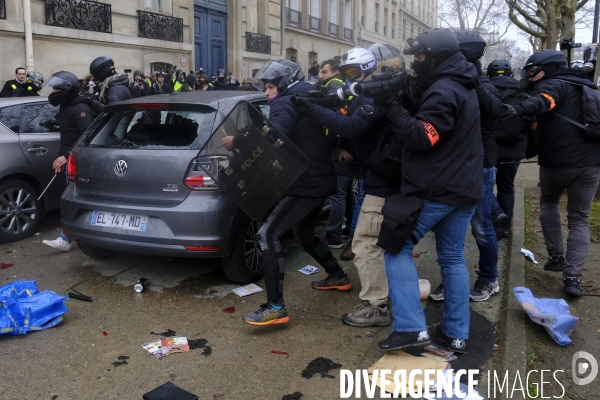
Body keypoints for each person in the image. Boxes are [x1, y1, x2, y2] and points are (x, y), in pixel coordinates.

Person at [379, 28, 482, 352]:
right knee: (452, 258)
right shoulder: (462, 84)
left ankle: (411, 328)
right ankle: (456, 333)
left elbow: (425, 137)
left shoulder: (443, 89)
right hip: (464, 188)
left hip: (437, 188)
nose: (416, 62)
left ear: (437, 57)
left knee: (396, 248)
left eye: (420, 57)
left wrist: (392, 108)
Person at [227, 59, 349, 326]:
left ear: (283, 85)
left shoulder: (285, 102)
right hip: (318, 179)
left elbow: (273, 136)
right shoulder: (307, 95)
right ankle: (337, 275)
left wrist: (236, 141)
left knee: (267, 234)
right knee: (303, 233)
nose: (268, 93)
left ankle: (275, 307)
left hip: (305, 184)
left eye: (270, 87)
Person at [294, 45, 405, 328]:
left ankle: (376, 307)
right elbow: (351, 118)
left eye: (354, 71)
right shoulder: (366, 90)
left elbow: (353, 125)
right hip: (380, 173)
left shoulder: (376, 93)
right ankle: (392, 299)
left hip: (384, 179)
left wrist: (313, 109)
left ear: (369, 69)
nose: (350, 77)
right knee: (385, 244)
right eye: (346, 72)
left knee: (365, 243)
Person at [500, 49, 600, 297]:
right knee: (579, 219)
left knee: (549, 203)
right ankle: (573, 278)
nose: (531, 77)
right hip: (591, 164)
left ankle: (556, 256)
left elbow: (545, 100)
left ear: (549, 69)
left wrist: (520, 109)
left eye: (534, 71)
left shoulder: (554, 85)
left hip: (558, 163)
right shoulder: (589, 88)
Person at [431, 30, 502, 303]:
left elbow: (495, 109)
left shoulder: (479, 82)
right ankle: (450, 280)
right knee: (449, 230)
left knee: (482, 227)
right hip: (451, 166)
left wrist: (472, 79)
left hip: (481, 165)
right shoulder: (443, 82)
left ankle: (489, 278)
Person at [42, 71, 104, 252]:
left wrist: (66, 155)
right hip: (72, 160)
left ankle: (68, 239)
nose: (53, 92)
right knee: (71, 199)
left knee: (74, 199)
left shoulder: (80, 109)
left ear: (66, 90)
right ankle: (67, 238)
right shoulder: (67, 106)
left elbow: (87, 136)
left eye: (56, 89)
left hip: (79, 163)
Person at [487, 60, 531, 240]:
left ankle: (494, 219)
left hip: (489, 148)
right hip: (514, 150)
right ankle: (504, 229)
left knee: (485, 187)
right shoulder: (523, 93)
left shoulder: (485, 91)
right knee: (507, 187)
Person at [317, 58, 357, 249]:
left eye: (324, 72)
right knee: (347, 192)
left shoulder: (334, 87)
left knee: (338, 193)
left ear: (334, 72)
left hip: (339, 148)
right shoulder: (344, 87)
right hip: (347, 146)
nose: (320, 76)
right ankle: (348, 229)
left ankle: (334, 237)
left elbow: (333, 119)